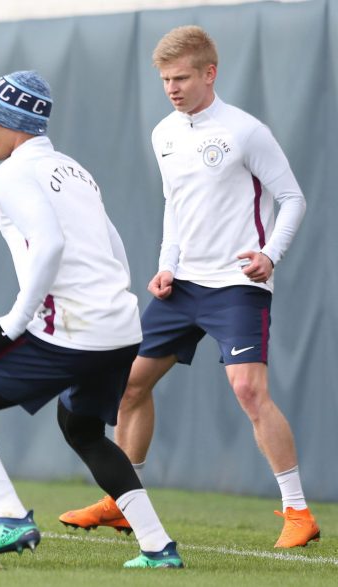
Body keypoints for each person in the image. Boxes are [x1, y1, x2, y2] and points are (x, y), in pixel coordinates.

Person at [59, 25, 319, 549]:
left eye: (181, 78)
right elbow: (174, 206)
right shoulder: (164, 133)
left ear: (209, 73)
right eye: (165, 80)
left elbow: (292, 199)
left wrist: (271, 255)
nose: (173, 88)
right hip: (181, 286)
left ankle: (298, 513)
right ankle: (122, 503)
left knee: (248, 390)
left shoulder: (246, 131)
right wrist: (166, 264)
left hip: (236, 286)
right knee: (129, 384)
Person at [0, 70, 183, 568]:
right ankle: (158, 547)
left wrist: (12, 322)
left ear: (17, 124)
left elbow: (49, 243)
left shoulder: (8, 174)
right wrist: (114, 302)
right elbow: (113, 245)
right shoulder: (73, 169)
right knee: (82, 428)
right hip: (120, 325)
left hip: (73, 327)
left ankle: (7, 516)